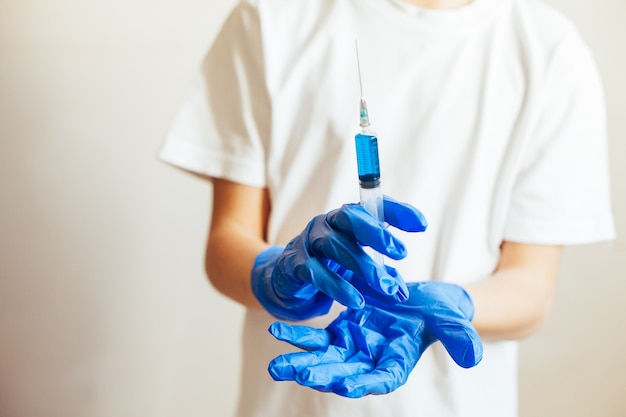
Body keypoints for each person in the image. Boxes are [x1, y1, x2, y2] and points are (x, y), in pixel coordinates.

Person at [159, 0, 615, 415]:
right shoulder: (271, 17)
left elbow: (532, 287)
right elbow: (227, 241)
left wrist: (451, 305)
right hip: (293, 399)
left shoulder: (548, 51)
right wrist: (274, 276)